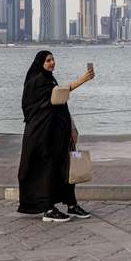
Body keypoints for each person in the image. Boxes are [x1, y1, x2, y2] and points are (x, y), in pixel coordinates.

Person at [18, 50, 95, 222]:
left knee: (65, 168)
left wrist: (72, 128)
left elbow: (61, 105)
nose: (52, 63)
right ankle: (48, 209)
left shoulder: (49, 78)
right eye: (48, 60)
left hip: (57, 135)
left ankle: (71, 204)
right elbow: (57, 95)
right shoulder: (37, 81)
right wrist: (82, 80)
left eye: (53, 59)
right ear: (40, 63)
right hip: (42, 137)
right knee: (46, 171)